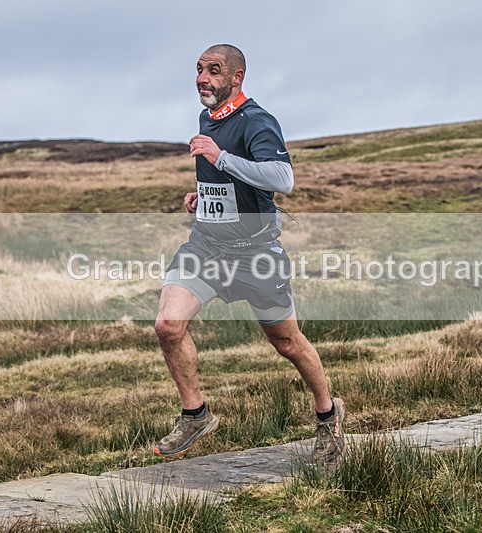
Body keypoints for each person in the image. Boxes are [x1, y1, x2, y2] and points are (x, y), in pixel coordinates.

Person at [153, 44, 345, 463]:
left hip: (256, 253)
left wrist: (220, 158)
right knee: (168, 325)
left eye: (214, 71)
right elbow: (228, 184)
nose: (203, 78)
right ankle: (195, 414)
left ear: (237, 77)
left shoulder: (257, 121)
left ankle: (328, 414)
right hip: (207, 245)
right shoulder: (208, 117)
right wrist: (202, 198)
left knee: (288, 343)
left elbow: (282, 178)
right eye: (200, 70)